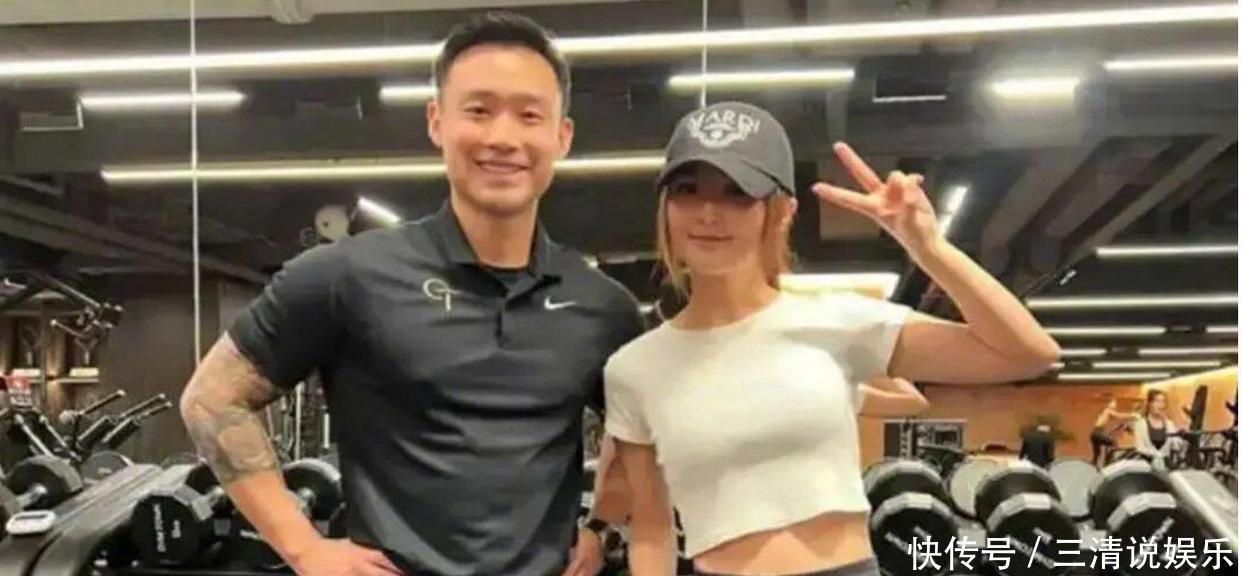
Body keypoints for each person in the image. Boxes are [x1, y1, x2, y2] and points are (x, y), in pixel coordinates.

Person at [178, 12, 642, 576]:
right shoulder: (346, 276)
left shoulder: (603, 307)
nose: (503, 137)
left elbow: (636, 430)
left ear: (561, 136)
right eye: (478, 110)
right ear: (436, 122)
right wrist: (304, 548)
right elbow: (211, 398)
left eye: (529, 115)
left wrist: (602, 526)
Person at [604, 101, 1060, 576]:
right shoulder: (635, 368)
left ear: (782, 212)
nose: (708, 213)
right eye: (687, 190)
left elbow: (1027, 354)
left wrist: (928, 247)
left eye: (738, 193)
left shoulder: (836, 320)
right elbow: (652, 529)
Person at [1133, 389, 1183, 469]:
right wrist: (1157, 455)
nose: (1161, 405)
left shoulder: (1169, 424)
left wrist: (1180, 438)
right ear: (1150, 404)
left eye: (1163, 402)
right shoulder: (1140, 424)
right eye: (1157, 401)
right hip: (1146, 468)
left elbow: (1176, 445)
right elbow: (1140, 447)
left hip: (1166, 467)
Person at [1090, 398, 1139, 467]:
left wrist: (1115, 429)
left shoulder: (1102, 413)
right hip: (1098, 433)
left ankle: (1092, 466)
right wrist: (1133, 415)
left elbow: (1100, 427)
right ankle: (1107, 463)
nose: (1115, 405)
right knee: (1114, 443)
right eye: (1114, 403)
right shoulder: (1108, 410)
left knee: (1097, 455)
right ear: (1109, 404)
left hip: (1094, 434)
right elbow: (1119, 416)